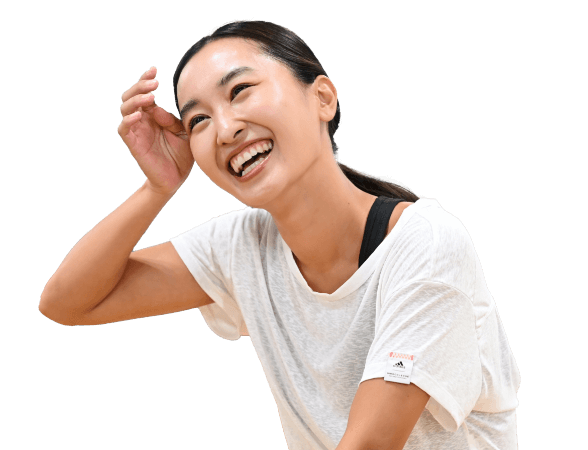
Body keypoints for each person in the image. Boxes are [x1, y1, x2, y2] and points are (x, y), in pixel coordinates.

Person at [39, 20, 520, 450]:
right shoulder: (243, 244)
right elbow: (68, 303)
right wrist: (157, 187)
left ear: (323, 98)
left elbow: (371, 444)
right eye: (198, 120)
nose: (224, 129)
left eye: (240, 90)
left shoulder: (426, 243)